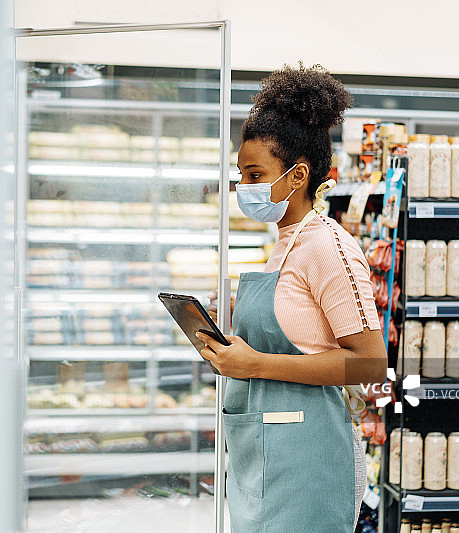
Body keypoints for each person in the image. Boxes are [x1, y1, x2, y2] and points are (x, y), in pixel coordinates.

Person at [197, 63, 387, 533]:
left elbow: (370, 364)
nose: (244, 188)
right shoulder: (284, 243)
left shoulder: (329, 247)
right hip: (264, 459)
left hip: (307, 465)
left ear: (298, 175)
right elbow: (299, 331)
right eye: (240, 175)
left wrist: (255, 364)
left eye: (254, 174)